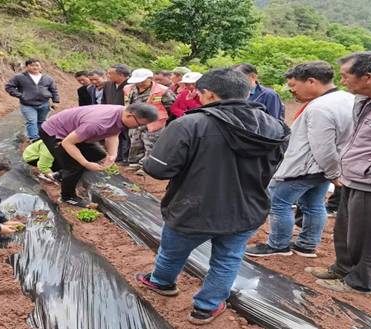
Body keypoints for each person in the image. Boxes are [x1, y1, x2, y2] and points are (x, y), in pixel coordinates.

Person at [135, 68, 289, 325]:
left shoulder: (190, 123)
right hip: (247, 207)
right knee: (228, 258)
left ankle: (162, 282)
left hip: (192, 207)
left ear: (208, 93)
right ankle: (206, 308)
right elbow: (273, 166)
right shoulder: (275, 126)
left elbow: (158, 169)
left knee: (172, 252)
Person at [307, 52, 371, 295]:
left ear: (368, 77)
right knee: (346, 231)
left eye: (346, 76)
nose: (343, 81)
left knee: (370, 238)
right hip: (356, 177)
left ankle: (359, 283)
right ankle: (342, 269)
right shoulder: (366, 99)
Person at [245, 61, 354, 258]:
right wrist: (333, 171)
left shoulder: (320, 107)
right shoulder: (348, 98)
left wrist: (333, 173)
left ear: (311, 81)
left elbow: (322, 146)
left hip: (307, 166)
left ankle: (278, 245)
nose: (292, 91)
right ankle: (307, 244)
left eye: (294, 86)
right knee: (314, 203)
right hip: (326, 166)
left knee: (278, 201)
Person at [39, 104, 158, 208]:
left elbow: (113, 134)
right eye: (139, 124)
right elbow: (67, 143)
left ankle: (60, 175)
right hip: (56, 133)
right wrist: (86, 163)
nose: (139, 127)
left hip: (76, 132)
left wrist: (112, 155)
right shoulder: (98, 123)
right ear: (130, 115)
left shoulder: (121, 114)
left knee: (98, 154)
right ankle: (68, 197)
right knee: (74, 166)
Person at [124, 68, 176, 172]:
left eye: (142, 81)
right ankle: (135, 163)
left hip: (154, 122)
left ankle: (146, 166)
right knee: (135, 142)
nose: (140, 83)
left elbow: (171, 105)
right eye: (137, 81)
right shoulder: (128, 88)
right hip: (135, 121)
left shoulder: (162, 90)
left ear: (150, 79)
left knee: (151, 144)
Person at [5, 58, 60, 142]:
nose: (35, 67)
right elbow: (9, 87)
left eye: (37, 65)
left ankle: (41, 137)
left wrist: (55, 101)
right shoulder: (19, 77)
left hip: (44, 103)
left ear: (40, 67)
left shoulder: (47, 78)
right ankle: (34, 139)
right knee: (31, 121)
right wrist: (21, 95)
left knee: (41, 121)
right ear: (27, 67)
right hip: (27, 104)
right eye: (32, 65)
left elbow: (54, 90)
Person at [102, 64, 132, 164]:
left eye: (111, 73)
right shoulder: (107, 84)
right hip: (111, 115)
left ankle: (123, 158)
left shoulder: (131, 85)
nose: (108, 75)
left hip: (127, 115)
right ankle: (114, 156)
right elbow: (104, 100)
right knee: (113, 135)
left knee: (125, 136)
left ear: (121, 75)